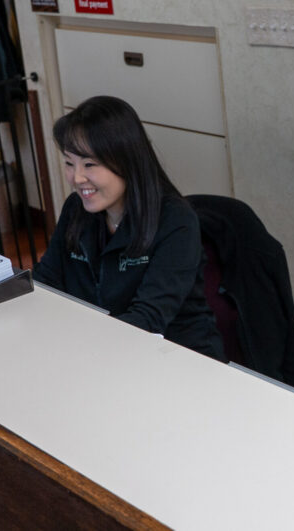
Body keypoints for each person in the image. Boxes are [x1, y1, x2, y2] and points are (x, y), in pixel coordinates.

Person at [33, 95, 224, 360]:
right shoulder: (76, 210)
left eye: (89, 164)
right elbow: (45, 283)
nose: (76, 178)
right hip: (102, 352)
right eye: (69, 163)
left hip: (176, 358)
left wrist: (79, 349)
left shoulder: (175, 220)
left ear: (127, 162)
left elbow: (148, 318)